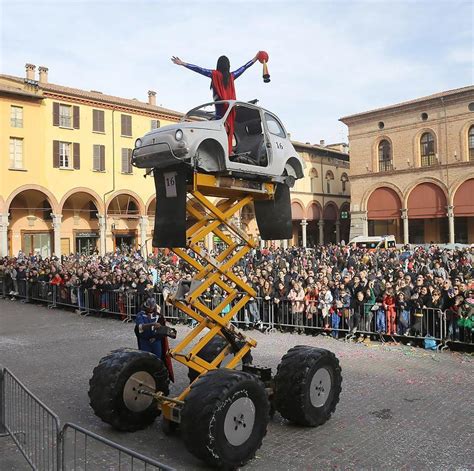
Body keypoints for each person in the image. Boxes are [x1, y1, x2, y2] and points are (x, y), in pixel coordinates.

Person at [171, 53, 259, 153]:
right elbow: (243, 68)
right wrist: (255, 59)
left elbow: (200, 69)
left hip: (220, 107)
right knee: (228, 130)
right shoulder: (231, 76)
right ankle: (228, 150)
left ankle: (221, 149)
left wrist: (183, 63)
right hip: (230, 109)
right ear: (228, 66)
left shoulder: (214, 74)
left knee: (219, 128)